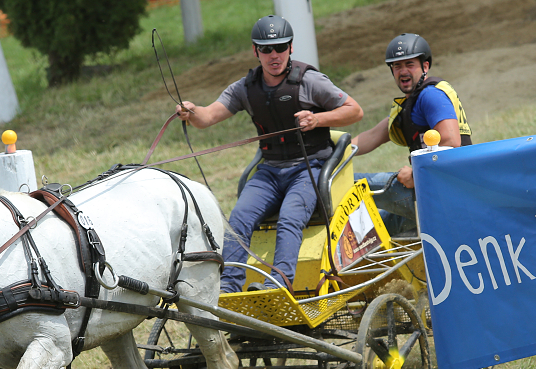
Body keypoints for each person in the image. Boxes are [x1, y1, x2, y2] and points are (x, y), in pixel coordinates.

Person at [176, 15, 363, 293]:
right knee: (237, 218)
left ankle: (278, 283)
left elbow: (354, 110)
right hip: (270, 171)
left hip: (309, 168)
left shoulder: (310, 81)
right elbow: (207, 117)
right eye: (266, 49)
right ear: (255, 51)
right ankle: (229, 286)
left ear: (290, 48)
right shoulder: (245, 88)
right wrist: (191, 112)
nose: (274, 55)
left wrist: (317, 119)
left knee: (290, 217)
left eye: (280, 47)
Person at [352, 33, 472, 235]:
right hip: (434, 192)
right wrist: (334, 152)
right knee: (370, 233)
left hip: (442, 192)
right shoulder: (411, 104)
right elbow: (372, 136)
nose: (403, 71)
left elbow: (451, 141)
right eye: (397, 66)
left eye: (410, 64)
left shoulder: (430, 95)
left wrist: (417, 174)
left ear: (425, 66)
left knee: (350, 184)